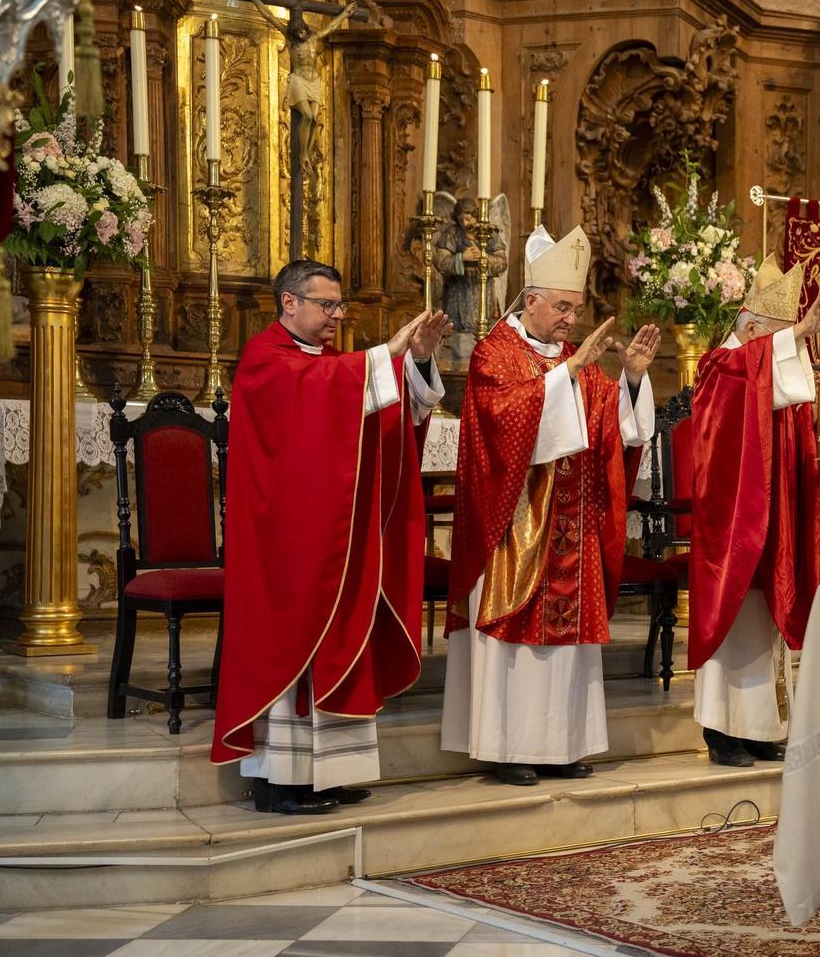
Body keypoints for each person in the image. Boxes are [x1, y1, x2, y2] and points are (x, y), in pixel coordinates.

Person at [212, 260, 450, 815]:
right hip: (285, 542)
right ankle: (282, 782)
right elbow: (314, 398)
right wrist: (385, 354)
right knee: (293, 640)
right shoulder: (264, 360)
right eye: (327, 305)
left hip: (335, 534)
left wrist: (415, 360)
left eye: (340, 306)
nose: (336, 316)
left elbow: (384, 422)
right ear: (289, 302)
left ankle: (329, 774)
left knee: (343, 637)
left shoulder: (334, 365)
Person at [442, 225, 661, 786]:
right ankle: (510, 747)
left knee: (566, 646)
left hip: (571, 523)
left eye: (576, 309)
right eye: (562, 307)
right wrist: (569, 372)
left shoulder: (574, 358)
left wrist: (633, 378)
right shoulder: (494, 352)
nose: (570, 319)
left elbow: (615, 426)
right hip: (513, 525)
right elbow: (503, 422)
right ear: (531, 301)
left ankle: (561, 745)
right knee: (516, 643)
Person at [688, 255, 820, 768]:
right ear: (751, 328)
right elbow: (739, 402)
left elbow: (785, 425)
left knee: (765, 618)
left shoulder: (761, 368)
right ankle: (720, 731)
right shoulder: (719, 365)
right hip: (732, 517)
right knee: (732, 618)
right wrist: (799, 335)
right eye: (780, 334)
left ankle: (759, 730)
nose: (791, 344)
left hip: (772, 512)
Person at [433, 197, 506, 369]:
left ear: (475, 216)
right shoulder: (452, 234)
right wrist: (461, 258)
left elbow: (502, 262)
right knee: (458, 331)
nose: (465, 223)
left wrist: (484, 258)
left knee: (484, 329)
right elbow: (440, 261)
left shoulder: (489, 233)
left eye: (468, 218)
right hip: (459, 290)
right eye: (461, 220)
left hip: (482, 289)